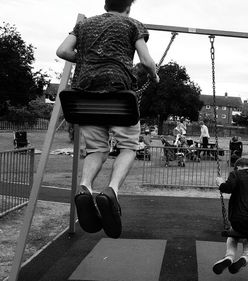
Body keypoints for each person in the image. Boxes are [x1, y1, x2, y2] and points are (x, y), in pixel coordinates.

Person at [56, 0, 159, 239]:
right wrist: (154, 74)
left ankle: (85, 187)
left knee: (97, 150)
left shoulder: (84, 25)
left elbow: (62, 51)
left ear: (106, 4)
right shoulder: (133, 24)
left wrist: (85, 60)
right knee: (129, 147)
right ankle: (111, 191)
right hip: (118, 96)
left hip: (84, 97)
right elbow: (146, 61)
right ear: (128, 7)